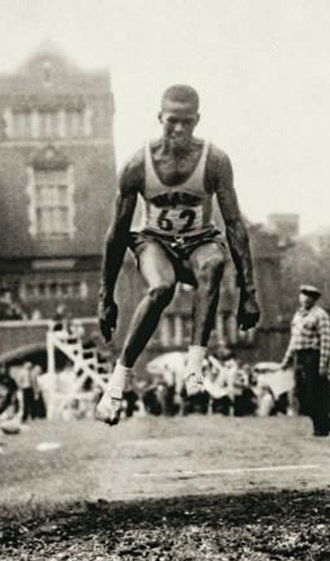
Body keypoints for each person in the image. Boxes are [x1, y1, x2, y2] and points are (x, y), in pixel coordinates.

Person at [95, 85, 261, 425]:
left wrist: (248, 292)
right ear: (160, 119)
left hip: (199, 240)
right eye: (173, 122)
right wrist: (105, 296)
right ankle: (117, 383)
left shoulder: (214, 160)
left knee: (214, 264)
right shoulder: (137, 164)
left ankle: (194, 368)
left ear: (197, 120)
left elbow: (234, 225)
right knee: (161, 288)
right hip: (154, 241)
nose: (180, 130)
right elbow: (117, 233)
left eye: (187, 122)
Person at [280, 284, 330, 436]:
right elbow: (294, 340)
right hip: (299, 356)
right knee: (301, 395)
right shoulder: (297, 316)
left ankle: (320, 427)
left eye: (309, 296)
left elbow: (326, 340)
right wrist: (286, 360)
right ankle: (326, 422)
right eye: (303, 295)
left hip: (313, 356)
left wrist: (323, 364)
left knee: (313, 393)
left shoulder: (320, 315)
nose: (305, 299)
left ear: (314, 299)